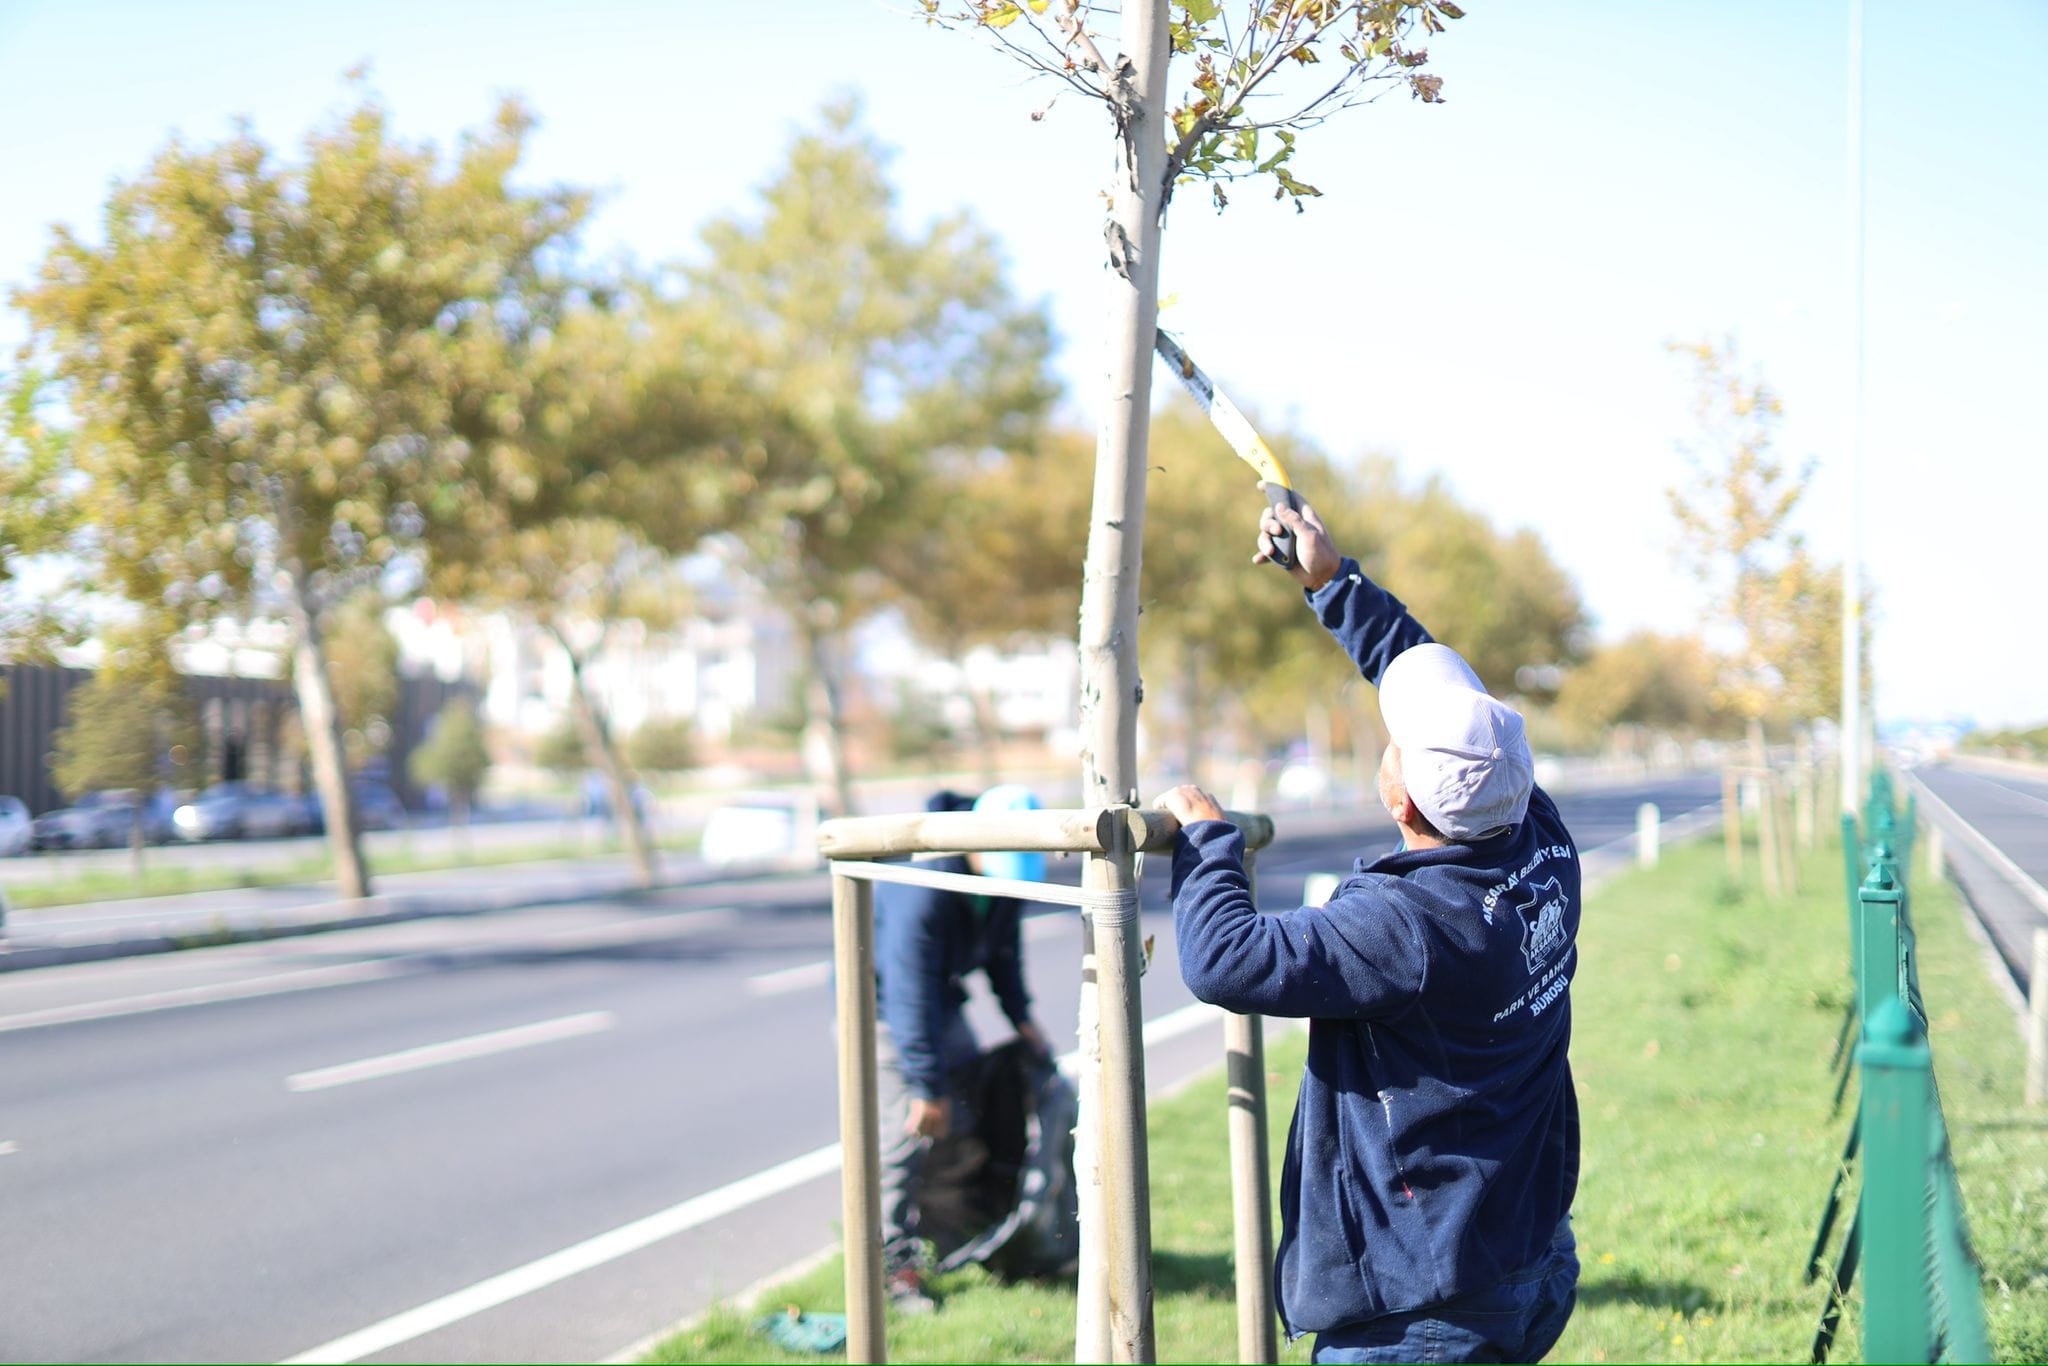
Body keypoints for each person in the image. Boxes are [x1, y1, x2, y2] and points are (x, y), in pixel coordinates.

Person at [1155, 500, 1581, 1364]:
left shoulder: (1404, 925)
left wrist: (1208, 840)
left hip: (1424, 1309)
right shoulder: (1538, 835)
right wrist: (1332, 579)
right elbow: (1429, 689)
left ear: (1401, 802)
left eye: (1396, 745)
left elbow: (1226, 961)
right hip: (1525, 1255)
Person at [873, 783, 1051, 1315]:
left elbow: (1002, 953)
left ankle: (954, 1237)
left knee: (967, 1117)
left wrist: (1022, 1019)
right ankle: (890, 1264)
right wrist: (926, 1087)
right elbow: (908, 991)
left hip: (940, 1003)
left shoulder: (995, 878)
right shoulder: (924, 882)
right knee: (905, 1138)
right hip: (883, 1008)